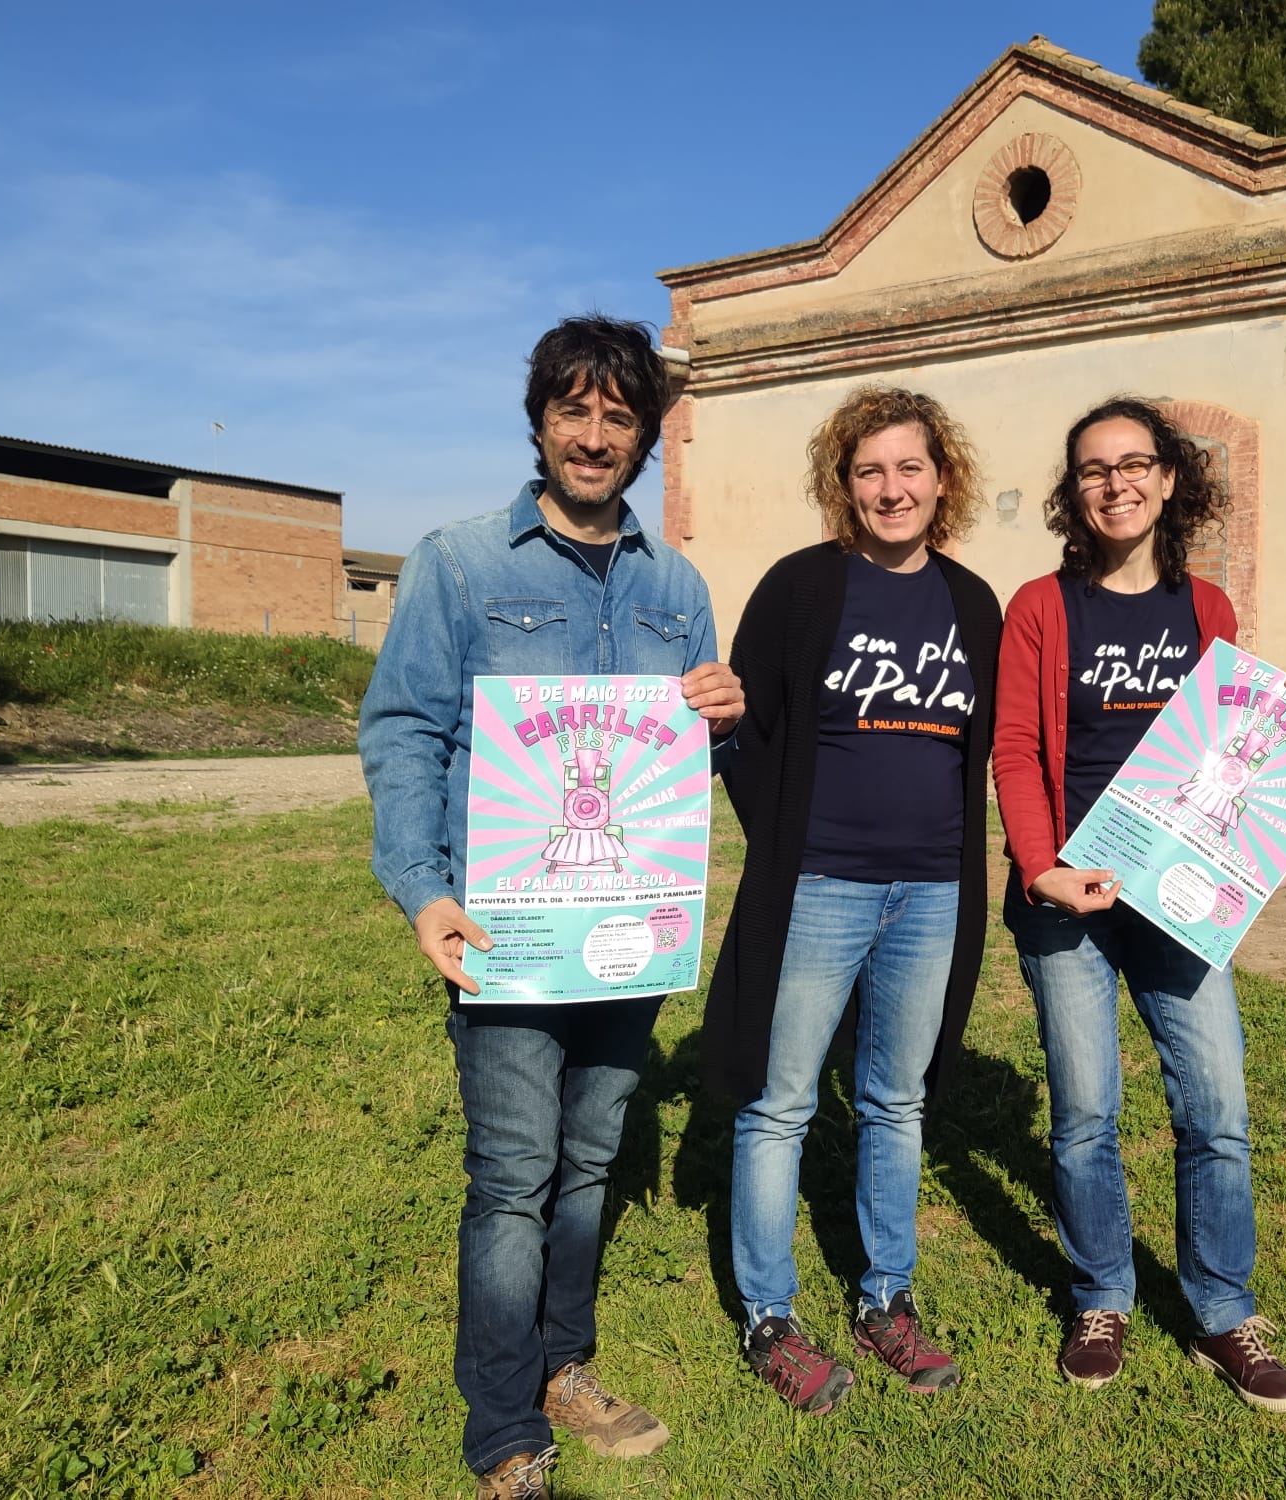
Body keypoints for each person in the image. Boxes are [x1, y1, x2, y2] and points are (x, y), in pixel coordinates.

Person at [360, 316, 744, 1499]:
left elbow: (688, 768)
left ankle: (562, 1366)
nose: (592, 435)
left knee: (588, 1163)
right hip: (508, 931)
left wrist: (723, 719)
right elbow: (403, 729)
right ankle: (501, 1428)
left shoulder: (676, 586)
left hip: (625, 934)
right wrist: (422, 890)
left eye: (617, 417)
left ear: (644, 438)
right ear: (538, 422)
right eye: (572, 410)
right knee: (513, 1172)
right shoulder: (460, 562)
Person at [993, 396, 1286, 1414]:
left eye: (1134, 463)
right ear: (1074, 489)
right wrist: (1042, 867)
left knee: (1214, 1106)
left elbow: (1225, 753)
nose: (1116, 483)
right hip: (1070, 898)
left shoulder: (1206, 609)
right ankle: (1102, 1296)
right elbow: (1015, 749)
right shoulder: (1040, 607)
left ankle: (1222, 1311)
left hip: (1179, 900)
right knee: (1085, 1113)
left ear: (1169, 479)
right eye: (1094, 469)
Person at [702, 387, 1001, 1412]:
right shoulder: (800, 588)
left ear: (942, 479)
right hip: (820, 886)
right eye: (869, 470)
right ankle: (768, 1317)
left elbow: (990, 746)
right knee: (780, 1101)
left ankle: (885, 1300)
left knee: (894, 1100)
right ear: (844, 484)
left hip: (933, 890)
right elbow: (743, 733)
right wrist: (789, 846)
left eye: (909, 467)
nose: (891, 488)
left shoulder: (973, 604)